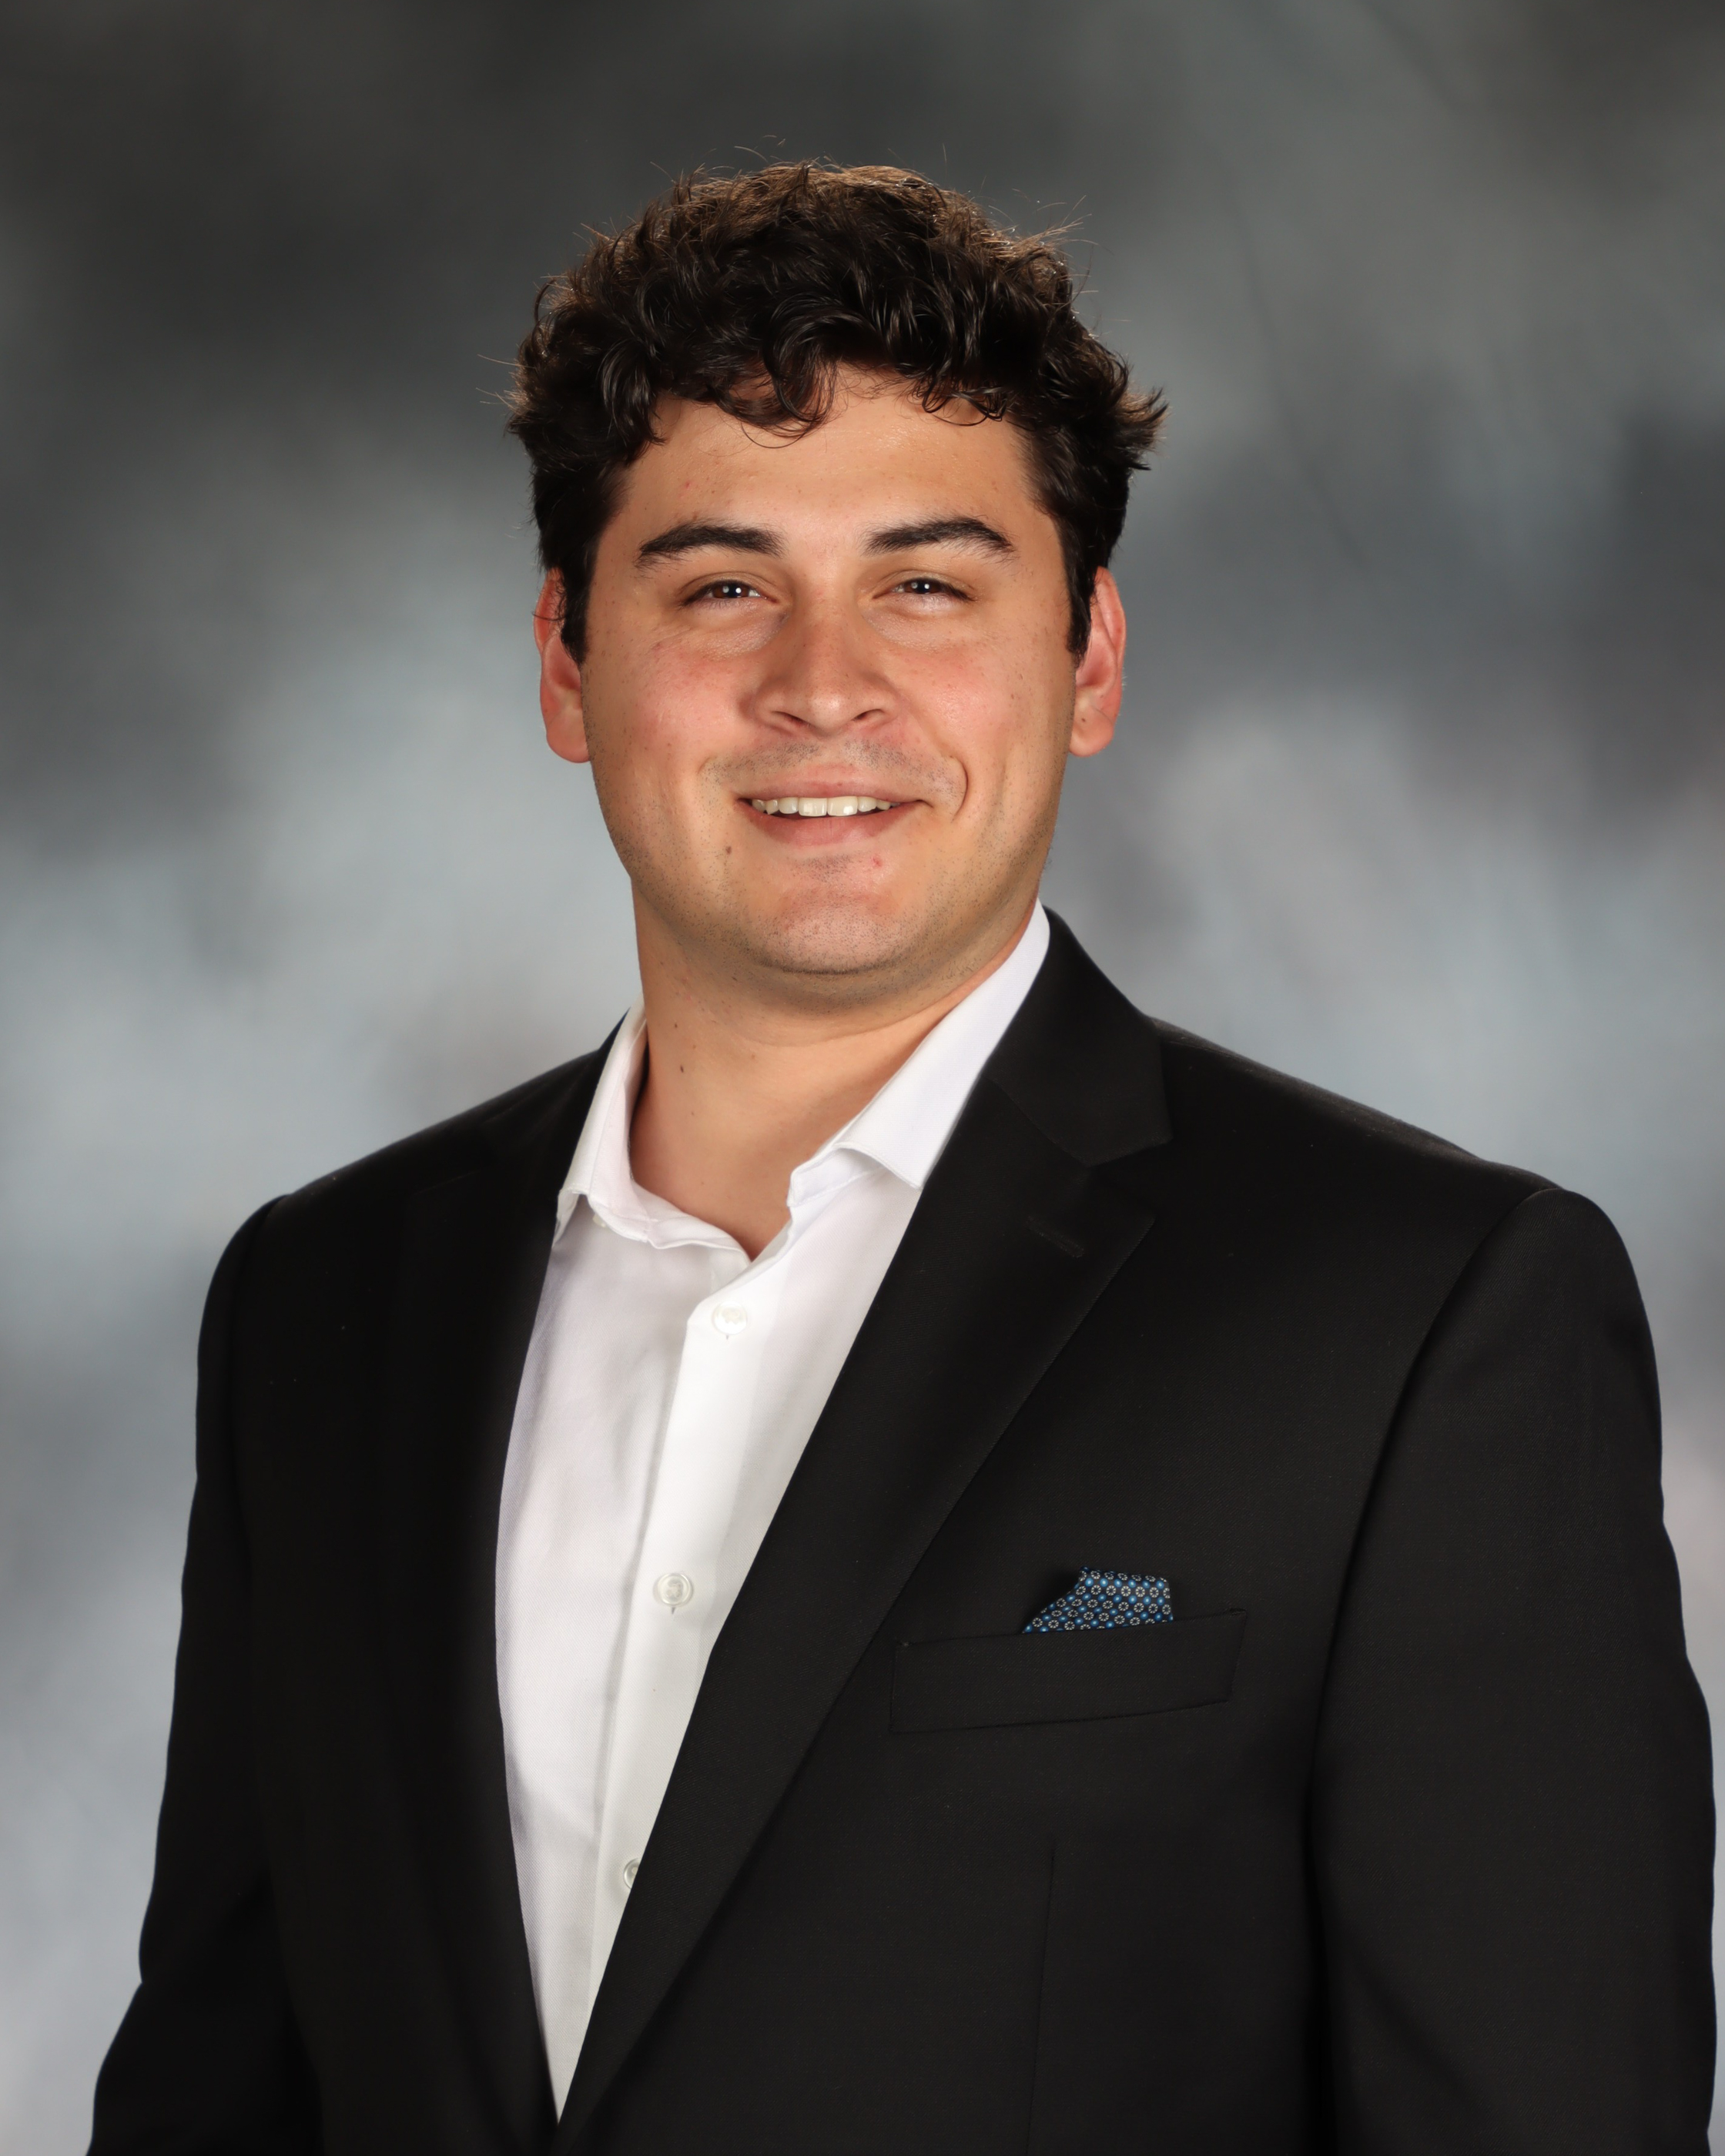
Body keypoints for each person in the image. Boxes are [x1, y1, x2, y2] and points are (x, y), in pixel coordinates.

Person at [89, 162, 1713, 2155]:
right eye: (721, 586)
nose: (822, 684)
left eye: (927, 586)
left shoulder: (1426, 1321)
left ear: (1089, 661)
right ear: (567, 665)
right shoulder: (325, 1306)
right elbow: (219, 2093)